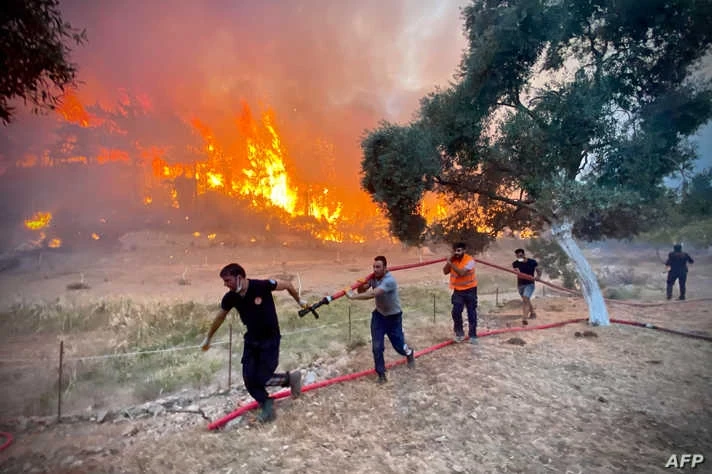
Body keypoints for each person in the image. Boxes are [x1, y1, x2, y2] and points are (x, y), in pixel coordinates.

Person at [201, 263, 305, 423]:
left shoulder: (261, 286)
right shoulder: (231, 297)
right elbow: (220, 317)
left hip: (270, 339)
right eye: (224, 281)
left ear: (239, 277)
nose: (225, 284)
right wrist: (208, 338)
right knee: (249, 378)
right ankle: (266, 404)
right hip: (251, 340)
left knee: (263, 377)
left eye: (227, 280)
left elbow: (287, 285)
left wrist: (299, 301)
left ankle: (291, 379)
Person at [346, 255, 415, 384]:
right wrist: (362, 284)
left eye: (378, 267)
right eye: (374, 267)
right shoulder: (374, 278)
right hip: (379, 316)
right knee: (377, 347)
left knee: (399, 346)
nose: (375, 269)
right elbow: (363, 289)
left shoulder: (389, 281)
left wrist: (353, 296)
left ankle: (409, 353)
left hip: (393, 318)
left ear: (385, 268)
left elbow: (373, 294)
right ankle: (381, 374)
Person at [442, 242, 478, 344]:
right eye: (455, 251)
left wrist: (450, 263)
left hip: (470, 290)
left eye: (459, 250)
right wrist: (449, 262)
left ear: (464, 250)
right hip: (458, 291)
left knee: (471, 313)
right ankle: (459, 333)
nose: (457, 253)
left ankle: (473, 335)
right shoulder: (453, 260)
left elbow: (461, 273)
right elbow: (445, 271)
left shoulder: (470, 260)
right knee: (456, 312)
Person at [512, 248, 542, 325]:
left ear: (524, 255)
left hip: (530, 284)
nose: (520, 257)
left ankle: (524, 318)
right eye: (518, 256)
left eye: (521, 255)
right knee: (526, 299)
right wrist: (522, 275)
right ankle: (533, 313)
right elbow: (518, 273)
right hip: (520, 285)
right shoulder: (515, 263)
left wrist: (538, 276)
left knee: (525, 299)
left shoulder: (532, 262)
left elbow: (538, 270)